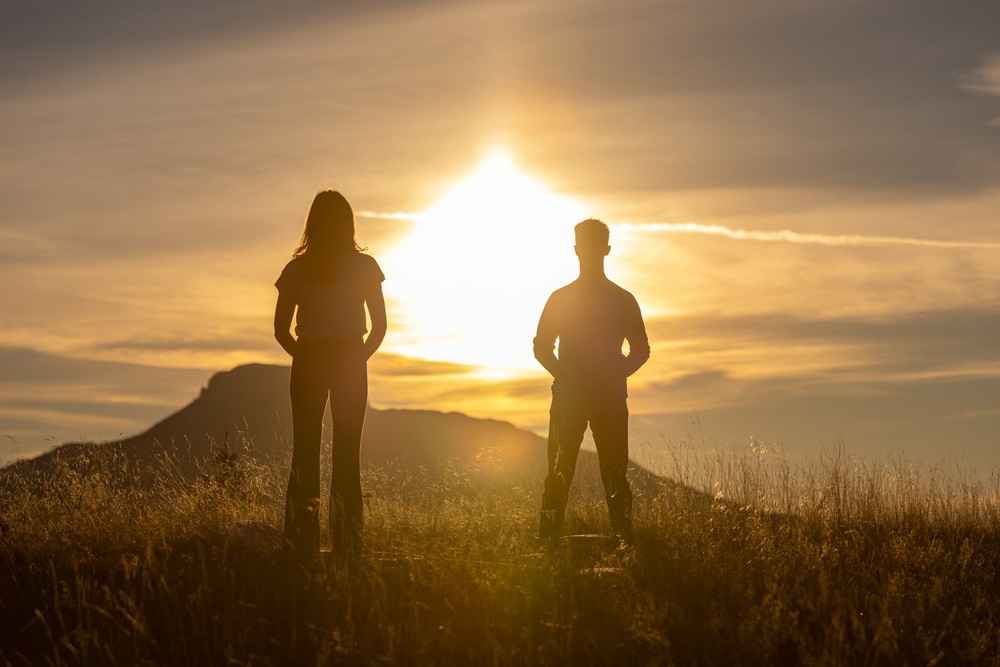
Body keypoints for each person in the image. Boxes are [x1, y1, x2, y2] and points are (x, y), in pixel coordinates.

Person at [274, 190, 387, 557]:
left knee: (304, 454)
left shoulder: (296, 270)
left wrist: (307, 358)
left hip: (309, 359)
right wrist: (357, 358)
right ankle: (347, 546)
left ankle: (299, 545)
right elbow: (380, 326)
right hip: (350, 359)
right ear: (347, 223)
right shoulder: (364, 267)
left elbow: (280, 330)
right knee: (347, 455)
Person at [534, 218, 650, 543]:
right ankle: (612, 543)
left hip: (594, 398)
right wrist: (571, 375)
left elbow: (641, 350)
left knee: (600, 475)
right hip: (580, 397)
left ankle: (613, 543)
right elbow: (541, 347)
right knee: (571, 474)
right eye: (587, 246)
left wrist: (607, 375)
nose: (588, 252)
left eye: (592, 246)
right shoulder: (613, 299)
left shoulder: (610, 299)